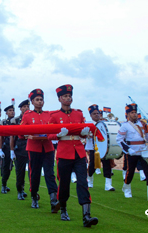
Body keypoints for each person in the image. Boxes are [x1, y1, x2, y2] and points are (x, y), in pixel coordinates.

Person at [49, 85, 98, 227]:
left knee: (83, 182)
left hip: (79, 152)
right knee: (64, 183)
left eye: (69, 96)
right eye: (65, 96)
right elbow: (49, 134)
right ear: (59, 99)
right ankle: (63, 209)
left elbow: (83, 132)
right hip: (64, 152)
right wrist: (58, 135)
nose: (68, 98)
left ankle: (86, 215)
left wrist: (85, 131)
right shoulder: (54, 116)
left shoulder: (78, 114)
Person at [22, 89, 59, 211]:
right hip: (34, 148)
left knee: (50, 173)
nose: (39, 102)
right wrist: (28, 135)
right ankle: (34, 197)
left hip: (48, 147)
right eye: (37, 99)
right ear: (32, 101)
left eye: (41, 99)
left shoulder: (49, 115)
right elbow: (21, 133)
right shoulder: (27, 115)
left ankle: (54, 200)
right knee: (35, 174)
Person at [117, 103, 148, 202]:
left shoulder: (143, 125)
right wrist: (128, 150)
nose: (134, 114)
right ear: (127, 114)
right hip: (132, 152)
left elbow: (146, 136)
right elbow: (119, 140)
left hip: (143, 151)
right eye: (132, 112)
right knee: (130, 172)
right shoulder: (125, 126)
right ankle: (126, 188)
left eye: (135, 112)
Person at [85, 105, 115, 191]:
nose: (97, 115)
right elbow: (85, 135)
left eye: (98, 113)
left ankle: (108, 184)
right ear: (90, 115)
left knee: (107, 165)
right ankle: (90, 181)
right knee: (92, 166)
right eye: (94, 114)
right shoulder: (88, 124)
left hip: (104, 147)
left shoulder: (104, 123)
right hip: (93, 148)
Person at [10, 100, 30, 200]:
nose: (26, 108)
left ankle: (33, 190)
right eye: (24, 107)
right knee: (20, 171)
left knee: (33, 170)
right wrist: (12, 150)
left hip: (31, 146)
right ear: (21, 108)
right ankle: (20, 190)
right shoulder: (15, 120)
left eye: (28, 106)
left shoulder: (32, 118)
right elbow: (12, 137)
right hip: (20, 147)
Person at [0, 100, 16, 194]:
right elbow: (0, 137)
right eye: (10, 110)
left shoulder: (17, 121)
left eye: (13, 110)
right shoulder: (3, 122)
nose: (12, 112)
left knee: (17, 168)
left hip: (17, 146)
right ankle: (4, 184)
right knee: (6, 167)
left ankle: (21, 188)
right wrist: (0, 149)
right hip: (7, 147)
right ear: (6, 113)